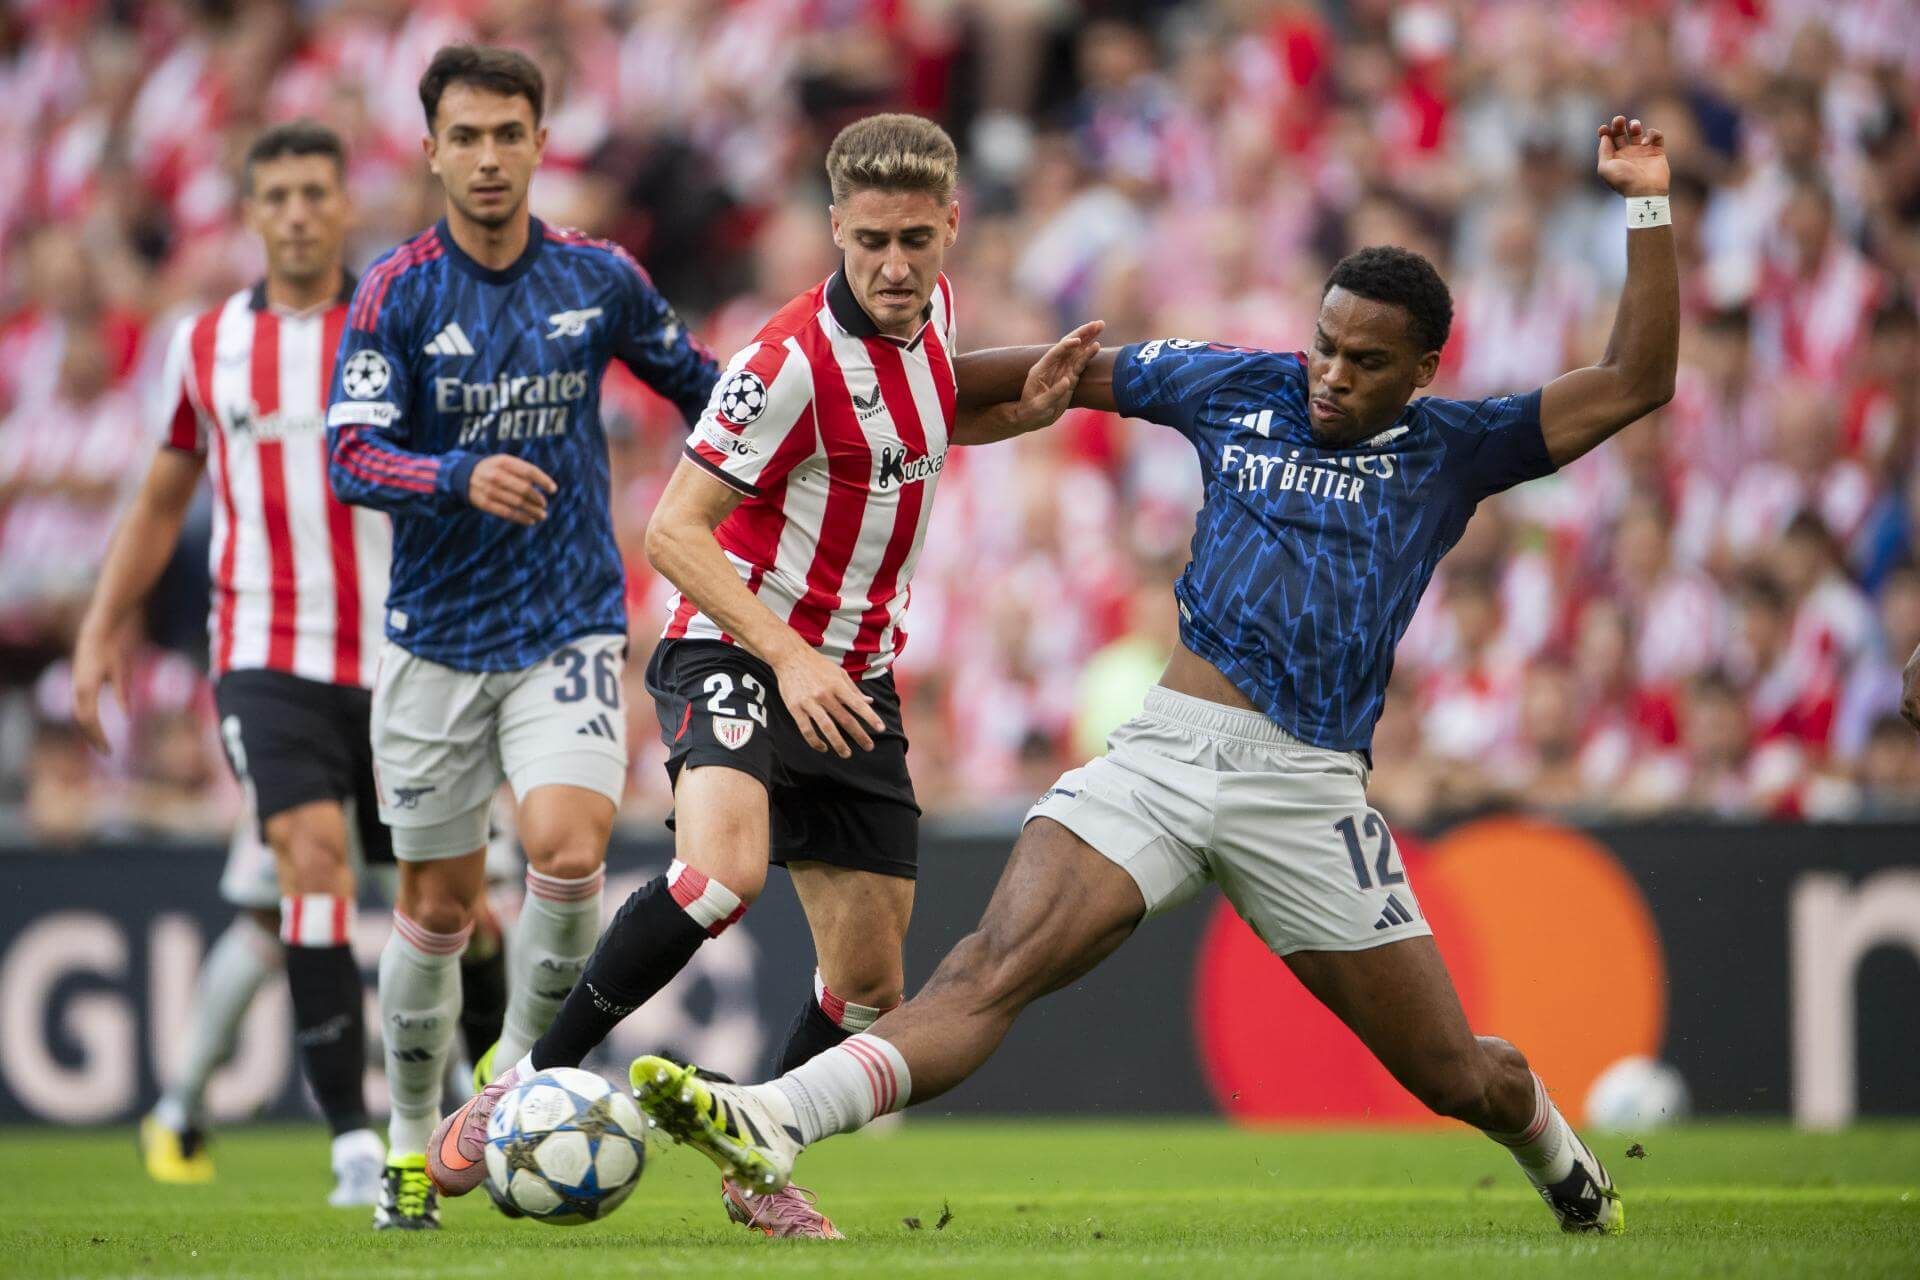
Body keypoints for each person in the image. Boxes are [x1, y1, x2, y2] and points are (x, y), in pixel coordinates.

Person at [632, 116, 1679, 1238]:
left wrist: (1648, 203)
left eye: (1366, 361)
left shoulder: (1455, 446)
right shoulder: (1235, 382)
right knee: (987, 964)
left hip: (1307, 788)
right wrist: (852, 400)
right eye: (1323, 342)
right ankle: (773, 1116)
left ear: (1425, 369)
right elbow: (1019, 380)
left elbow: (1634, 379)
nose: (1329, 374)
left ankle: (1566, 1165)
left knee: (1455, 1072)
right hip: (1165, 755)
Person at [427, 112, 1098, 1238]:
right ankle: (515, 1079)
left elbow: (920, 419)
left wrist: (1017, 407)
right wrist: (785, 652)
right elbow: (675, 529)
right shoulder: (782, 363)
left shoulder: (927, 313)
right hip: (736, 641)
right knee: (720, 870)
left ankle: (756, 1159)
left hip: (854, 675)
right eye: (871, 239)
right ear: (835, 226)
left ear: (950, 229)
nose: (893, 264)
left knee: (871, 980)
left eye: (915, 239)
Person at [324, 44, 719, 1230]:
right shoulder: (396, 291)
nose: (490, 156)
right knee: (438, 910)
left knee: (566, 841)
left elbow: (700, 383)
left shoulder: (599, 279)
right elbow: (347, 452)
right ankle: (406, 1139)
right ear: (433, 147)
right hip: (435, 642)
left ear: (543, 144)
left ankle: (509, 1077)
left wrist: (770, 467)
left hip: (569, 621)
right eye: (468, 135)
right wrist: (453, 474)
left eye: (510, 133)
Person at [70, 121, 393, 1206]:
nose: (298, 211)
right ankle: (356, 1139)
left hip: (408, 665)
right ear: (251, 213)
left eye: (316, 190)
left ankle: (180, 1105)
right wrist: (101, 623)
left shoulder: (398, 322)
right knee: (310, 869)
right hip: (267, 652)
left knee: (435, 910)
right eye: (278, 195)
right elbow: (162, 496)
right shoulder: (204, 343)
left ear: (345, 203)